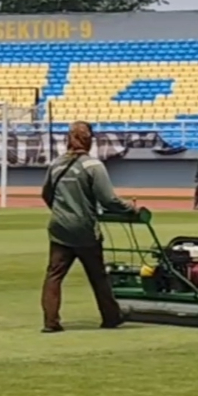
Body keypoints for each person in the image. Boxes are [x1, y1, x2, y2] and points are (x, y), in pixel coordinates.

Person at [40, 121, 135, 333]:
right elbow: (108, 199)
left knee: (54, 275)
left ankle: (50, 322)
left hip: (59, 228)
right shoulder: (93, 166)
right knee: (98, 274)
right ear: (89, 141)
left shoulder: (55, 165)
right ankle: (111, 316)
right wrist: (129, 209)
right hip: (84, 229)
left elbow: (46, 195)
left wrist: (61, 212)